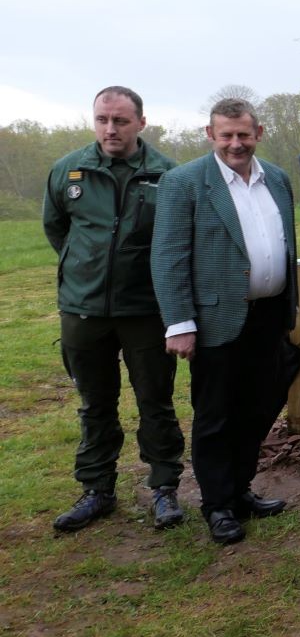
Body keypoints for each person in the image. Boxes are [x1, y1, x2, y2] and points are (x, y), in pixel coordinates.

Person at [152, 98, 296, 546]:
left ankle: (239, 489)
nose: (236, 143)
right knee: (216, 415)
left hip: (269, 315)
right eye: (226, 134)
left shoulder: (277, 178)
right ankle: (217, 505)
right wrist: (179, 322)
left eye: (244, 134)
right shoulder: (184, 183)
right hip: (217, 319)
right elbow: (169, 255)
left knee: (257, 408)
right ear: (210, 134)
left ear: (259, 133)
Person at [42, 86, 186, 532]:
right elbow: (57, 228)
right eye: (103, 119)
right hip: (84, 311)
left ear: (141, 123)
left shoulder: (167, 175)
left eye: (121, 121)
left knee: (155, 403)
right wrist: (85, 271)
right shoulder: (69, 170)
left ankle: (164, 488)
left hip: (145, 311)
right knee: (94, 405)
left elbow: (177, 241)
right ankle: (97, 490)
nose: (111, 129)